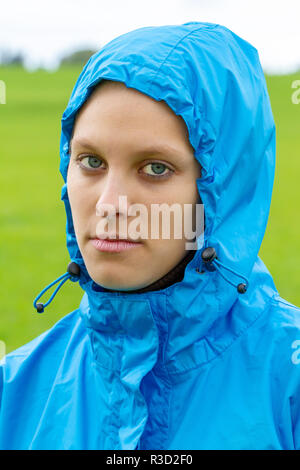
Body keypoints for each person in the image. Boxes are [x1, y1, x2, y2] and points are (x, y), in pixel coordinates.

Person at [0, 21, 299, 450]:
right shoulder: (14, 389)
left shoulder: (288, 387)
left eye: (155, 168)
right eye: (91, 161)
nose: (109, 204)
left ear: (223, 189)